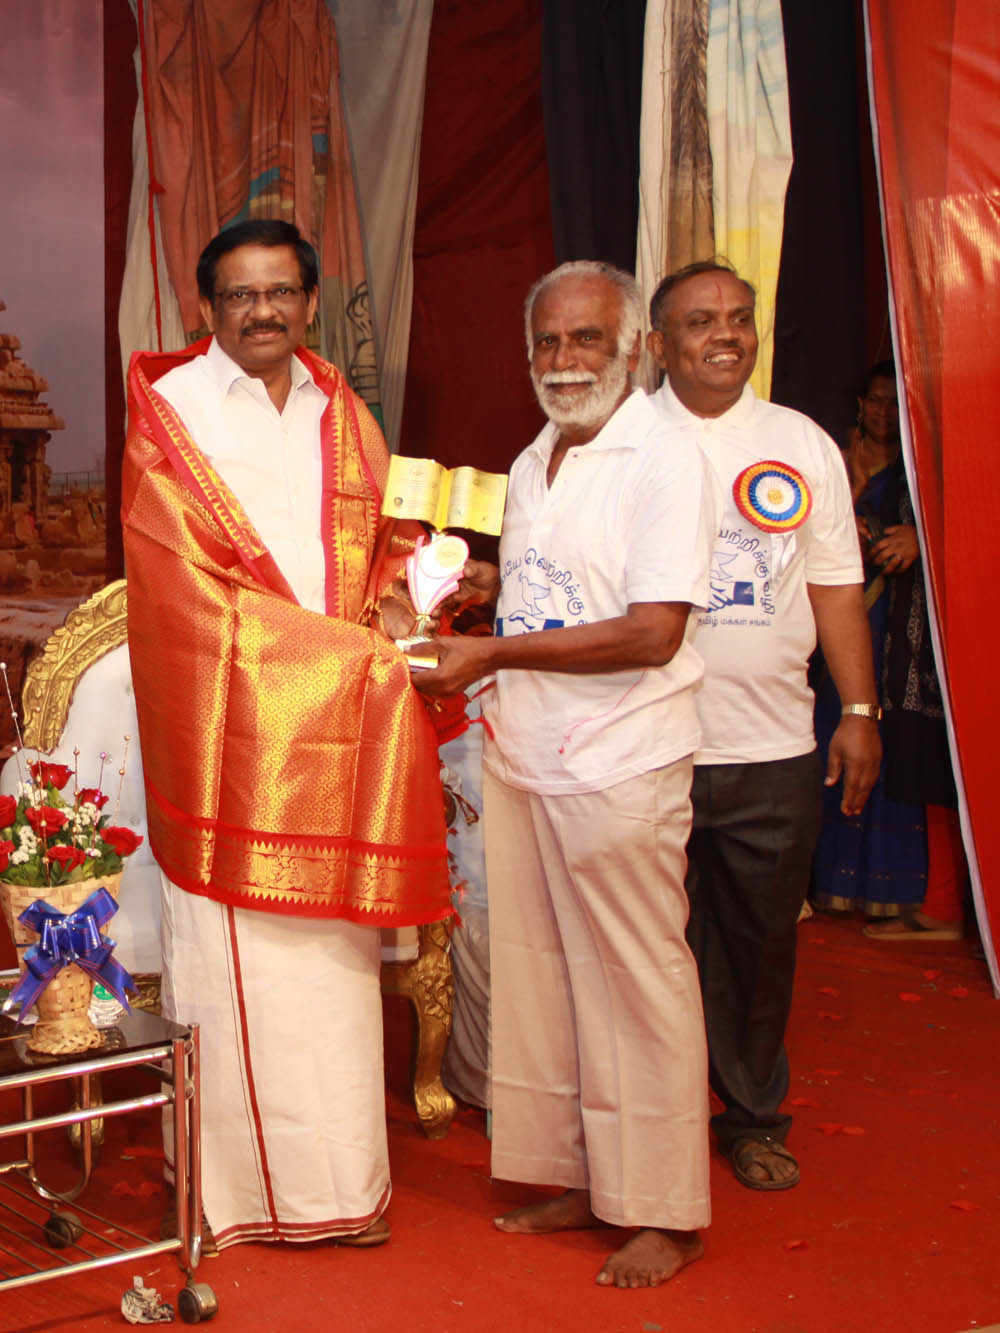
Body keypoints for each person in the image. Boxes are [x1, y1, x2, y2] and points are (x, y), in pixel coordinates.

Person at [123, 218, 453, 1251]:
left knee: (331, 968)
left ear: (309, 302)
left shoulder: (339, 406)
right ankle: (228, 1196)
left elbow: (385, 544)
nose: (260, 310)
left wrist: (405, 599)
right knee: (237, 970)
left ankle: (342, 1189)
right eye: (239, 294)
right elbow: (183, 587)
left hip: (337, 729)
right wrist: (337, 657)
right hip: (226, 731)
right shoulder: (173, 411)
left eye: (279, 292)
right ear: (206, 307)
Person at [412, 261, 712, 1287]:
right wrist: (491, 586)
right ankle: (581, 1176)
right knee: (542, 977)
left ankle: (664, 1210)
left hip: (622, 758)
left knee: (637, 981)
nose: (563, 360)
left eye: (585, 338)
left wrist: (490, 650)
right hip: (528, 755)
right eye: (546, 341)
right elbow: (567, 591)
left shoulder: (665, 454)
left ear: (633, 348)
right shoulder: (535, 456)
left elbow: (652, 630)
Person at [645, 261, 879, 1192]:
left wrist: (856, 710)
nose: (726, 335)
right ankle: (644, 1124)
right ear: (658, 343)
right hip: (643, 745)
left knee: (758, 943)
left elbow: (837, 588)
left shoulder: (800, 442)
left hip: (771, 747)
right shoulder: (619, 442)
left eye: (740, 318)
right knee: (640, 946)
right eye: (702, 320)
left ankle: (749, 1118)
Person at [812, 361, 966, 940]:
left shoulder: (927, 466)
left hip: (907, 630)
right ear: (859, 404)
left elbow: (970, 525)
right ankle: (831, 881)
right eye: (874, 401)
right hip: (845, 617)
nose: (883, 412)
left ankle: (897, 889)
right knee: (837, 728)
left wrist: (921, 540)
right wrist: (847, 507)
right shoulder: (833, 460)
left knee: (899, 740)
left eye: (894, 403)